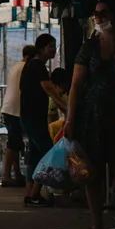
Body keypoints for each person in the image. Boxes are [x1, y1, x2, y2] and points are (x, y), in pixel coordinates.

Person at [64, 2, 115, 229]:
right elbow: (75, 85)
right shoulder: (89, 47)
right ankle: (96, 223)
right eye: (96, 13)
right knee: (91, 171)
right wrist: (70, 118)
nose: (99, 17)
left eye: (104, 13)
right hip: (91, 117)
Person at [20, 34, 67, 207]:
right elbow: (49, 88)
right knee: (48, 153)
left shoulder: (32, 65)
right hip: (33, 117)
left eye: (54, 46)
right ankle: (34, 194)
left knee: (35, 155)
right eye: (50, 47)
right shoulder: (38, 66)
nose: (53, 50)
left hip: (30, 116)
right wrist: (65, 108)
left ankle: (30, 194)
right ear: (42, 48)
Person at [0, 45, 35, 188]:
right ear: (29, 57)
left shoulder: (16, 66)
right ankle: (6, 176)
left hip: (10, 108)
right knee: (13, 144)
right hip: (15, 109)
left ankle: (17, 173)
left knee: (16, 143)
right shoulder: (26, 67)